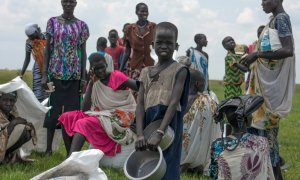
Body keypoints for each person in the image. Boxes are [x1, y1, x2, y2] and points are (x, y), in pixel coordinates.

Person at [242, 0, 295, 179]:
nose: (262, 3)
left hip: (270, 94)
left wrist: (256, 54)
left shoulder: (281, 19)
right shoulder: (273, 21)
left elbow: (288, 50)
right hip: (263, 87)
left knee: (268, 138)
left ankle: (276, 175)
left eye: (266, 0)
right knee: (260, 136)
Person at [135, 22, 190, 180]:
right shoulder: (145, 72)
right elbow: (140, 104)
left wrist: (160, 132)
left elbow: (173, 103)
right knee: (148, 164)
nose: (164, 46)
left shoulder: (179, 70)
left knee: (168, 165)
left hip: (169, 124)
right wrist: (139, 134)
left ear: (176, 46)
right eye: (159, 42)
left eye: (169, 43)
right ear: (152, 45)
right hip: (148, 121)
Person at [58, 53, 138, 157]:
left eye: (102, 67)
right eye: (96, 68)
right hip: (102, 113)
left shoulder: (116, 76)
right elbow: (84, 109)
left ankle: (70, 161)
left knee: (83, 123)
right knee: (66, 117)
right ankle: (70, 157)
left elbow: (138, 86)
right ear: (91, 69)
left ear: (106, 64)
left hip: (121, 115)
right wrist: (91, 83)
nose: (100, 71)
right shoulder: (95, 81)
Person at [41, 0, 89, 155]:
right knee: (52, 110)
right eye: (65, 1)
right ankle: (48, 149)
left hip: (74, 75)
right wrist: (44, 74)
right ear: (62, 3)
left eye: (71, 2)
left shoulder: (82, 25)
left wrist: (83, 78)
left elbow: (83, 53)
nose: (68, 4)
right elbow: (48, 50)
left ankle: (72, 150)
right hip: (55, 73)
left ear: (75, 3)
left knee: (73, 113)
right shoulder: (52, 22)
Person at [209, 95, 274, 180]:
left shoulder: (217, 145)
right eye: (250, 114)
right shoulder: (262, 142)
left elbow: (214, 175)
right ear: (247, 119)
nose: (251, 116)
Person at [179, 56, 220, 175]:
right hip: (196, 149)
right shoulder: (205, 100)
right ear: (197, 84)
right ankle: (196, 164)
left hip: (179, 146)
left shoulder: (178, 98)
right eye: (203, 82)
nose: (204, 85)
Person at [119, 2, 156, 81]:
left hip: (151, 67)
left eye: (146, 11)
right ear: (136, 12)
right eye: (142, 11)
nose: (145, 13)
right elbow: (127, 51)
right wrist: (120, 69)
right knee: (135, 91)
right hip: (135, 68)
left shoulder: (153, 27)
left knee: (150, 91)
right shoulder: (129, 29)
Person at [0, 91, 36, 164]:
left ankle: (5, 157)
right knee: (20, 128)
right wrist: (13, 123)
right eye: (5, 100)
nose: (8, 103)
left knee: (27, 130)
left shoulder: (10, 114)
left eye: (11, 101)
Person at [20, 23, 48, 102]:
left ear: (36, 31)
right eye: (29, 37)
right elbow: (27, 59)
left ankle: (49, 111)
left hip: (51, 66)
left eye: (32, 36)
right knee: (37, 91)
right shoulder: (29, 42)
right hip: (38, 67)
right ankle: (39, 110)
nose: (31, 38)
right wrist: (21, 74)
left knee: (49, 90)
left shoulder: (48, 36)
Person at [245, 25, 265, 91]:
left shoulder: (269, 46)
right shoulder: (251, 46)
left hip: (265, 76)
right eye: (259, 33)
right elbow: (247, 62)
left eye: (263, 32)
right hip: (252, 75)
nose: (261, 34)